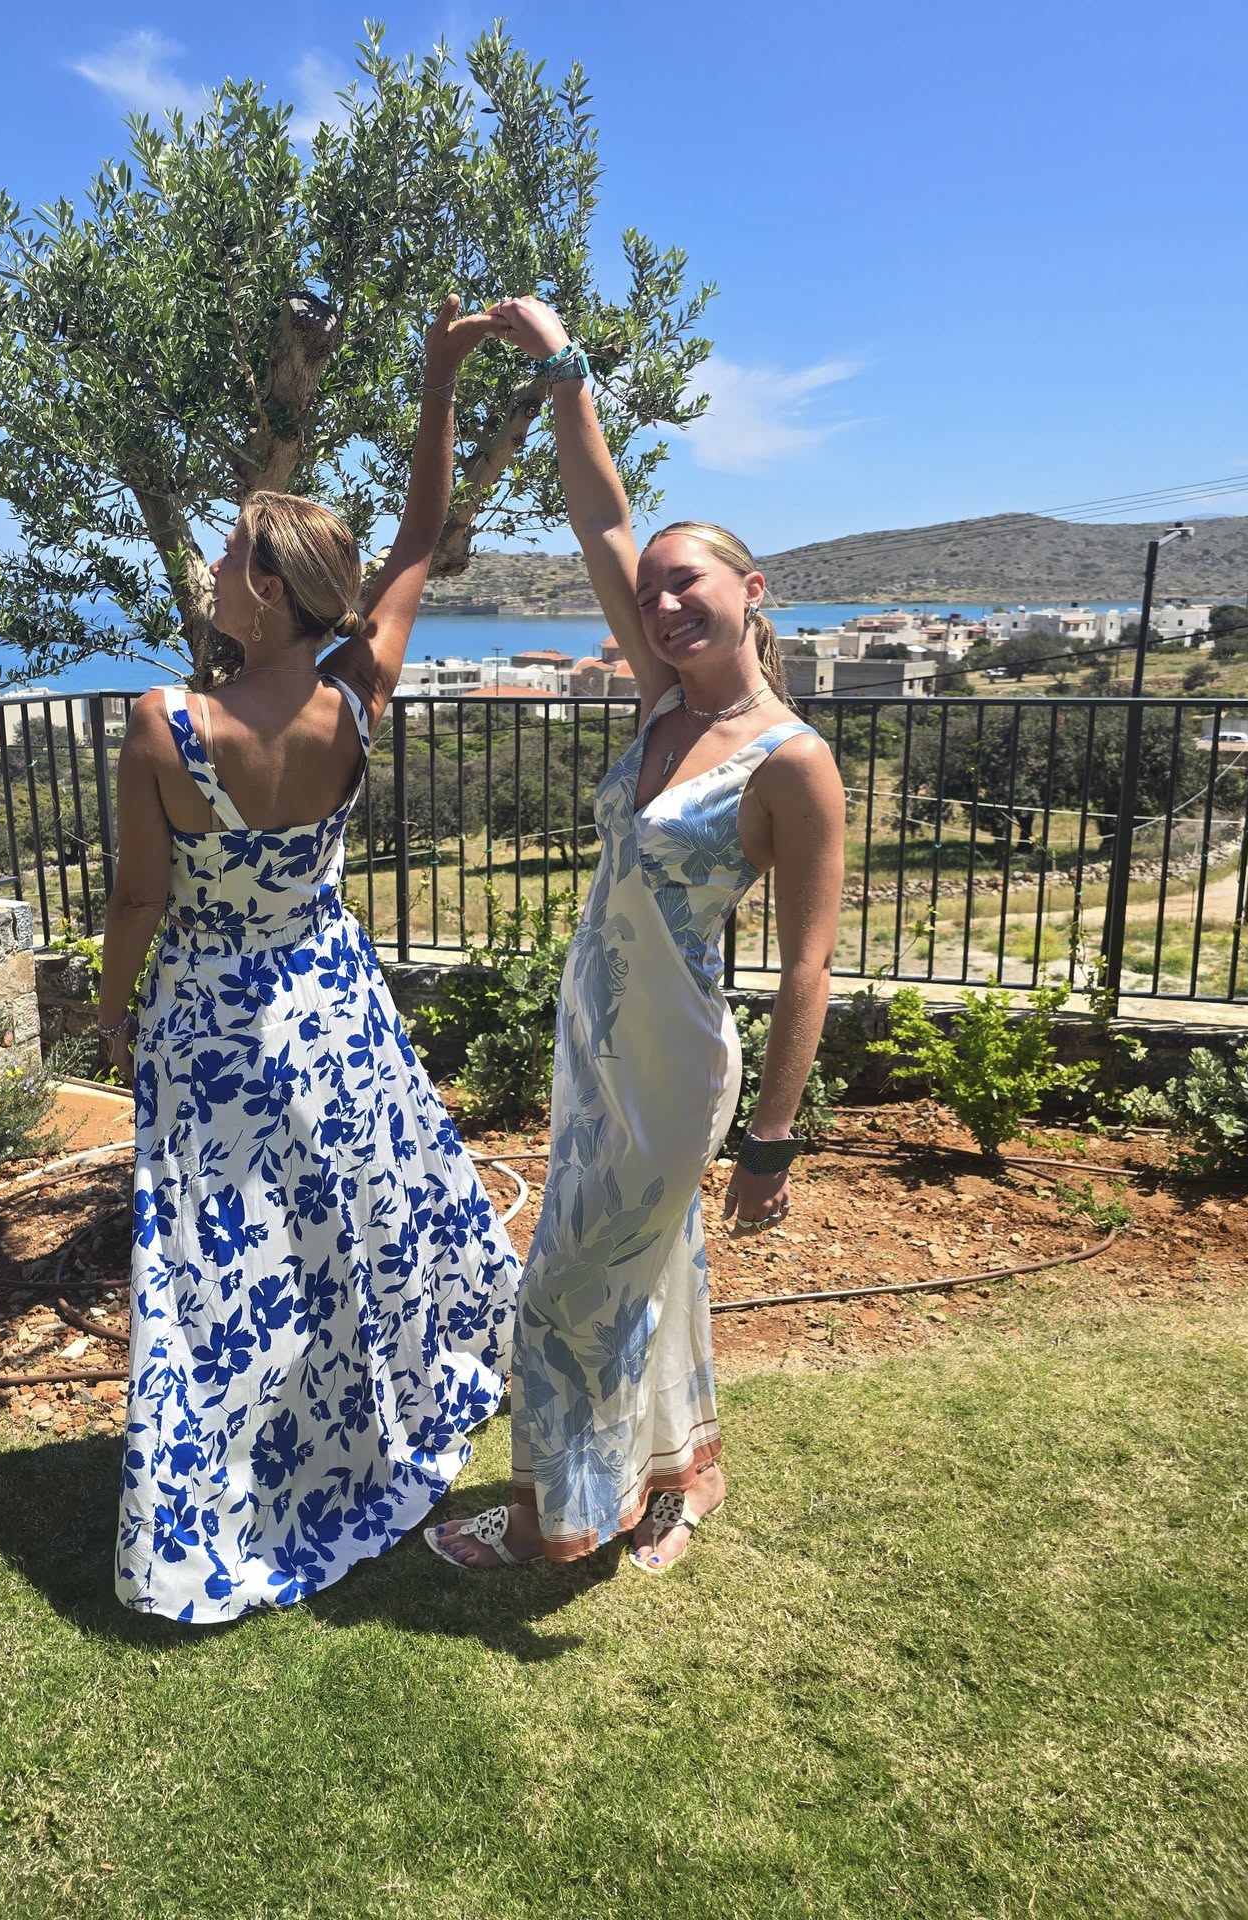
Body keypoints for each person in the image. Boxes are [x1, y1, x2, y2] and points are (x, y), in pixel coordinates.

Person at [99, 299, 522, 1619]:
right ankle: (362, 1442)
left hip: (211, 1027)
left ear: (266, 589)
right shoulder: (360, 687)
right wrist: (442, 376)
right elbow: (417, 532)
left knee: (222, 1264)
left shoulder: (168, 727)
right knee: (346, 1239)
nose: (216, 577)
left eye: (230, 560)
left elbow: (134, 897)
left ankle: (228, 1502)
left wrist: (114, 1016)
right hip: (333, 1011)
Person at [427, 296, 846, 1575]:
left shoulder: (794, 761)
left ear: (751, 592)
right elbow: (601, 510)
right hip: (594, 1045)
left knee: (558, 1293)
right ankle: (673, 1481)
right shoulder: (664, 704)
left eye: (691, 583)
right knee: (651, 1277)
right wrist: (557, 364)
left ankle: (554, 1519)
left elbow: (811, 964)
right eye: (654, 589)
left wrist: (772, 1141)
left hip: (671, 1067)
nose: (663, 603)